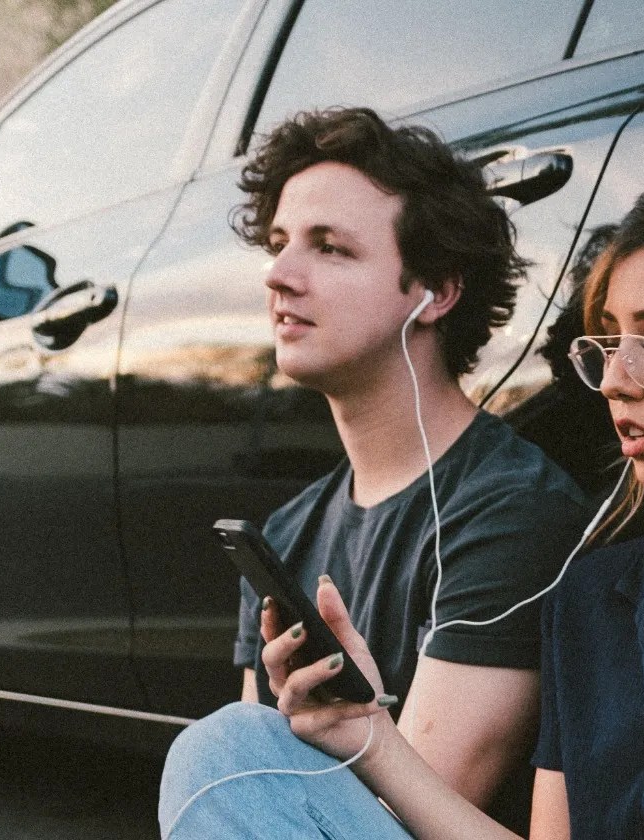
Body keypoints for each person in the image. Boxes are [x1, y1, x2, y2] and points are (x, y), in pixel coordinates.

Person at [160, 151, 644, 840]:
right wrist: (367, 735)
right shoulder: (596, 593)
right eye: (609, 341)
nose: (617, 379)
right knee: (228, 748)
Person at [197, 107, 592, 834]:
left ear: (436, 292)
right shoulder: (286, 531)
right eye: (279, 244)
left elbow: (421, 810)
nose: (279, 275)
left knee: (214, 748)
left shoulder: (510, 511)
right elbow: (258, 791)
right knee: (227, 745)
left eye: (331, 248)